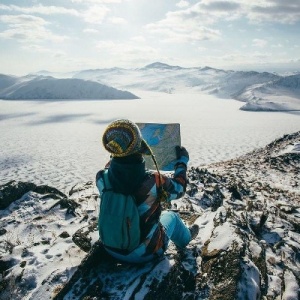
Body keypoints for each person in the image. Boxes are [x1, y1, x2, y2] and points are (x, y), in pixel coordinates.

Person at [96, 119, 199, 264]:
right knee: (171, 217)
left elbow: (111, 168)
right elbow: (179, 189)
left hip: (111, 248)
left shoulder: (101, 178)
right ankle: (186, 238)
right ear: (138, 146)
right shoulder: (153, 181)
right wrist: (182, 162)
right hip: (144, 254)